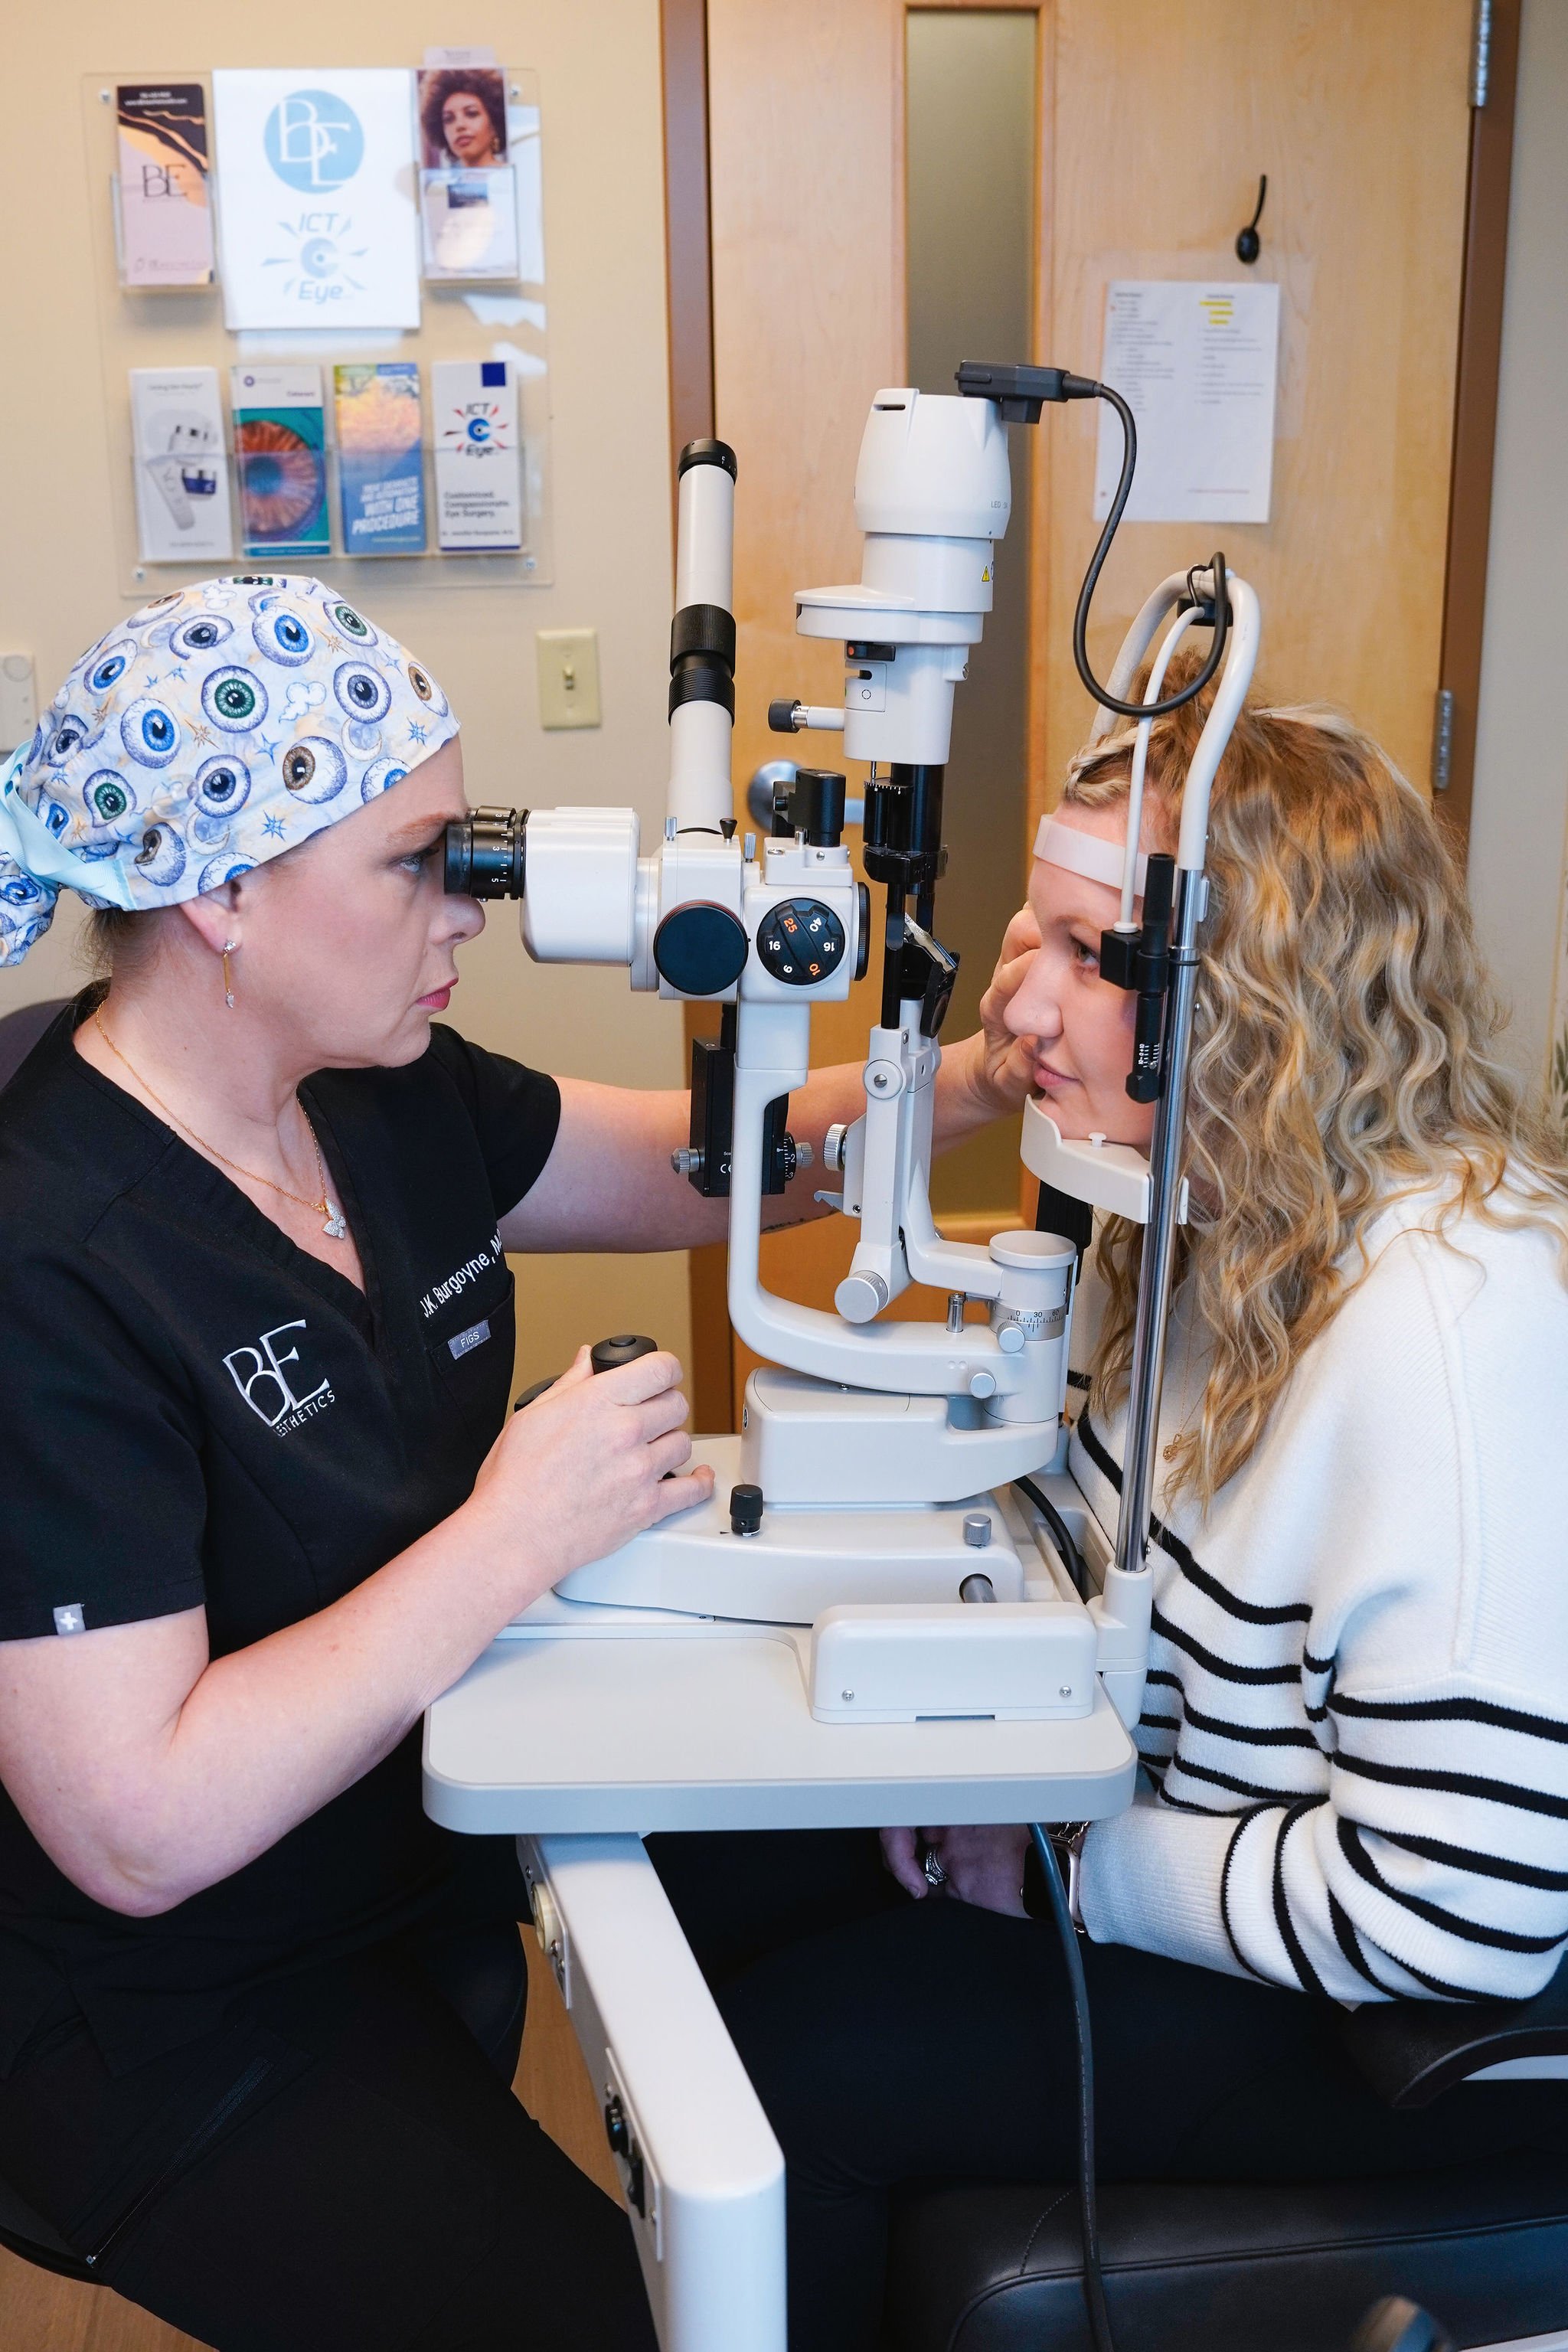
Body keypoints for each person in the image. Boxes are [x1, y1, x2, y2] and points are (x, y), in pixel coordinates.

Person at [0, 576, 1021, 2350]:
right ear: (228, 888)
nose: (467, 901)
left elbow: (711, 1167)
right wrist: (512, 1528)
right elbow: (137, 1827)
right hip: (172, 2001)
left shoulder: (375, 1087)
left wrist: (987, 1073)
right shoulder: (48, 1257)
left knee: (891, 1936)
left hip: (421, 1822)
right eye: (417, 860)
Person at [648, 667, 1568, 2352]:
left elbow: (1462, 1907)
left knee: (802, 2072)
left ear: (1262, 991)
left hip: (1392, 2023)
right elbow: (1087, 1546)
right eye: (1032, 945)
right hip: (1181, 1858)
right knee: (703, 1873)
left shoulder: (1451, 1319)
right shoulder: (1203, 1210)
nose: (1022, 1015)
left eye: (1089, 959)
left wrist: (1065, 1864)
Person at [420, 69, 508, 172]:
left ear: (494, 124)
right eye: (449, 119)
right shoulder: (441, 187)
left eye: (471, 114)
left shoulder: (514, 178)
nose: (460, 125)